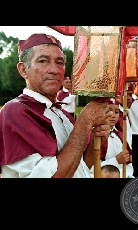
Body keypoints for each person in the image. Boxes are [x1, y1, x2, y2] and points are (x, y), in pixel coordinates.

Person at [0, 33, 112, 178]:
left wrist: (96, 140)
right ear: (23, 69)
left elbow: (79, 166)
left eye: (59, 62)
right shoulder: (15, 111)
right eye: (43, 61)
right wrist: (84, 123)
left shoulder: (60, 113)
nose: (54, 70)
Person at [90, 98, 134, 178]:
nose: (113, 115)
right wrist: (115, 161)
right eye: (109, 111)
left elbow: (128, 165)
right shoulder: (92, 136)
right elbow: (90, 168)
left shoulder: (120, 136)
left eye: (116, 112)